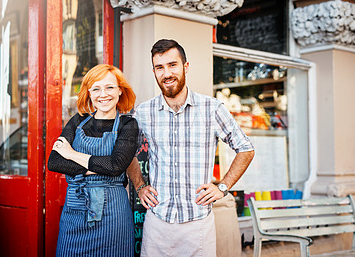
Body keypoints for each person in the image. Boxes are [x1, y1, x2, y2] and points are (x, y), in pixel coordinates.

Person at [127, 39, 255, 256]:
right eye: (160, 67)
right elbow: (127, 153)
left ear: (186, 66)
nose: (166, 73)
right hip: (157, 223)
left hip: (198, 225)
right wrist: (139, 186)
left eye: (172, 65)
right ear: (154, 71)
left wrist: (223, 187)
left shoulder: (212, 109)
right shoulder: (143, 112)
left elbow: (246, 148)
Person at [47, 64, 138, 257]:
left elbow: (116, 166)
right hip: (75, 211)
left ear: (120, 90)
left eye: (110, 87)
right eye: (96, 88)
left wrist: (71, 154)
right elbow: (54, 162)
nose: (103, 94)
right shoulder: (77, 120)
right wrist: (98, 166)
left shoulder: (128, 124)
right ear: (89, 93)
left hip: (113, 216)